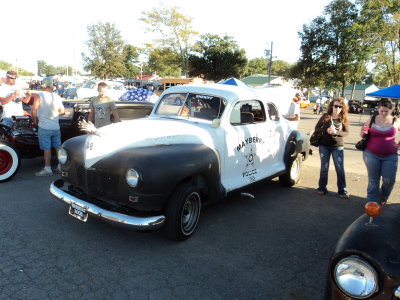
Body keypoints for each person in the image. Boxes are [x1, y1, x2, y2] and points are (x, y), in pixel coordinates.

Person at [361, 98, 400, 205]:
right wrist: (364, 130)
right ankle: (372, 203)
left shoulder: (396, 120)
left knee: (389, 180)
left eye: (386, 111)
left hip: (390, 155)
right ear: (378, 109)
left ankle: (383, 198)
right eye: (381, 110)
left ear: (391, 110)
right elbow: (362, 133)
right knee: (373, 180)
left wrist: (398, 145)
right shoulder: (372, 119)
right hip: (371, 154)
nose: (383, 113)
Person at [314, 97, 350, 198]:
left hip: (337, 146)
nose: (337, 108)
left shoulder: (344, 118)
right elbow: (316, 128)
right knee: (324, 168)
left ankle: (342, 190)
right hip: (324, 146)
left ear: (343, 108)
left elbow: (346, 132)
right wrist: (325, 130)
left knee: (339, 169)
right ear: (332, 106)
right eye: (335, 106)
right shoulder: (326, 116)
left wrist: (336, 132)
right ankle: (322, 187)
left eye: (340, 106)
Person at [31, 81, 65, 176]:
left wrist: (34, 119)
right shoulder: (57, 97)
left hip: (44, 126)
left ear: (44, 87)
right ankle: (60, 166)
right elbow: (62, 111)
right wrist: (53, 114)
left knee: (47, 148)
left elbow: (34, 109)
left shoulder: (40, 95)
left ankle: (48, 168)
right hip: (55, 126)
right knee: (58, 147)